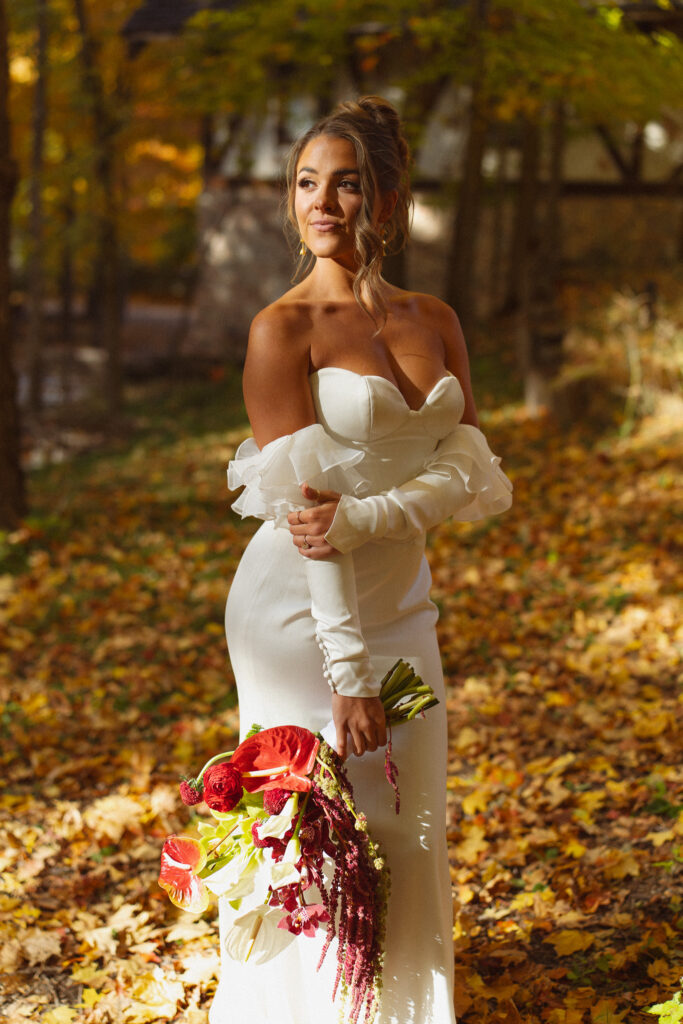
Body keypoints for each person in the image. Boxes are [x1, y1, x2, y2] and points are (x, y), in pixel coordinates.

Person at [209, 96, 512, 1024]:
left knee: (409, 821)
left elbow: (468, 459)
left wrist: (379, 511)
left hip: (402, 611)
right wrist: (346, 676)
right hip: (301, 625)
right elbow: (307, 521)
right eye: (307, 183)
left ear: (388, 199)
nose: (323, 203)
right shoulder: (281, 329)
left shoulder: (433, 316)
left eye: (347, 183)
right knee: (318, 830)